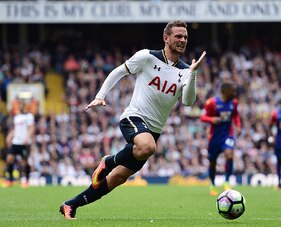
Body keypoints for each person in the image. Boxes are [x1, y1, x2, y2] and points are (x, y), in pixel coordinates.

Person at [59, 20, 206, 219]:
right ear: (166, 38)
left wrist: (193, 73)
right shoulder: (146, 57)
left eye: (185, 37)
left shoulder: (185, 71)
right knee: (148, 147)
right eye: (178, 36)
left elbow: (188, 101)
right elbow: (119, 71)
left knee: (117, 178)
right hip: (133, 118)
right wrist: (101, 95)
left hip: (153, 130)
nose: (182, 40)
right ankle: (107, 162)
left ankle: (71, 204)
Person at [200, 82, 241, 196]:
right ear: (224, 92)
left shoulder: (234, 103)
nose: (235, 93)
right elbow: (202, 117)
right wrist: (212, 119)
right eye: (232, 91)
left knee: (229, 154)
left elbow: (235, 115)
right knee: (212, 162)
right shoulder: (212, 103)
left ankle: (226, 182)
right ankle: (213, 184)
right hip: (214, 137)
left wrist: (238, 126)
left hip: (228, 135)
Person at [4, 101, 35, 188]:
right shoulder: (17, 117)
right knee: (9, 159)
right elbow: (16, 129)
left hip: (24, 143)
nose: (20, 107)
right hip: (16, 142)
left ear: (25, 106)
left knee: (24, 162)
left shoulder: (29, 116)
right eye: (19, 105)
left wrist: (27, 137)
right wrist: (10, 136)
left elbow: (32, 128)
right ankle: (10, 179)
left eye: (22, 105)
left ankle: (26, 180)